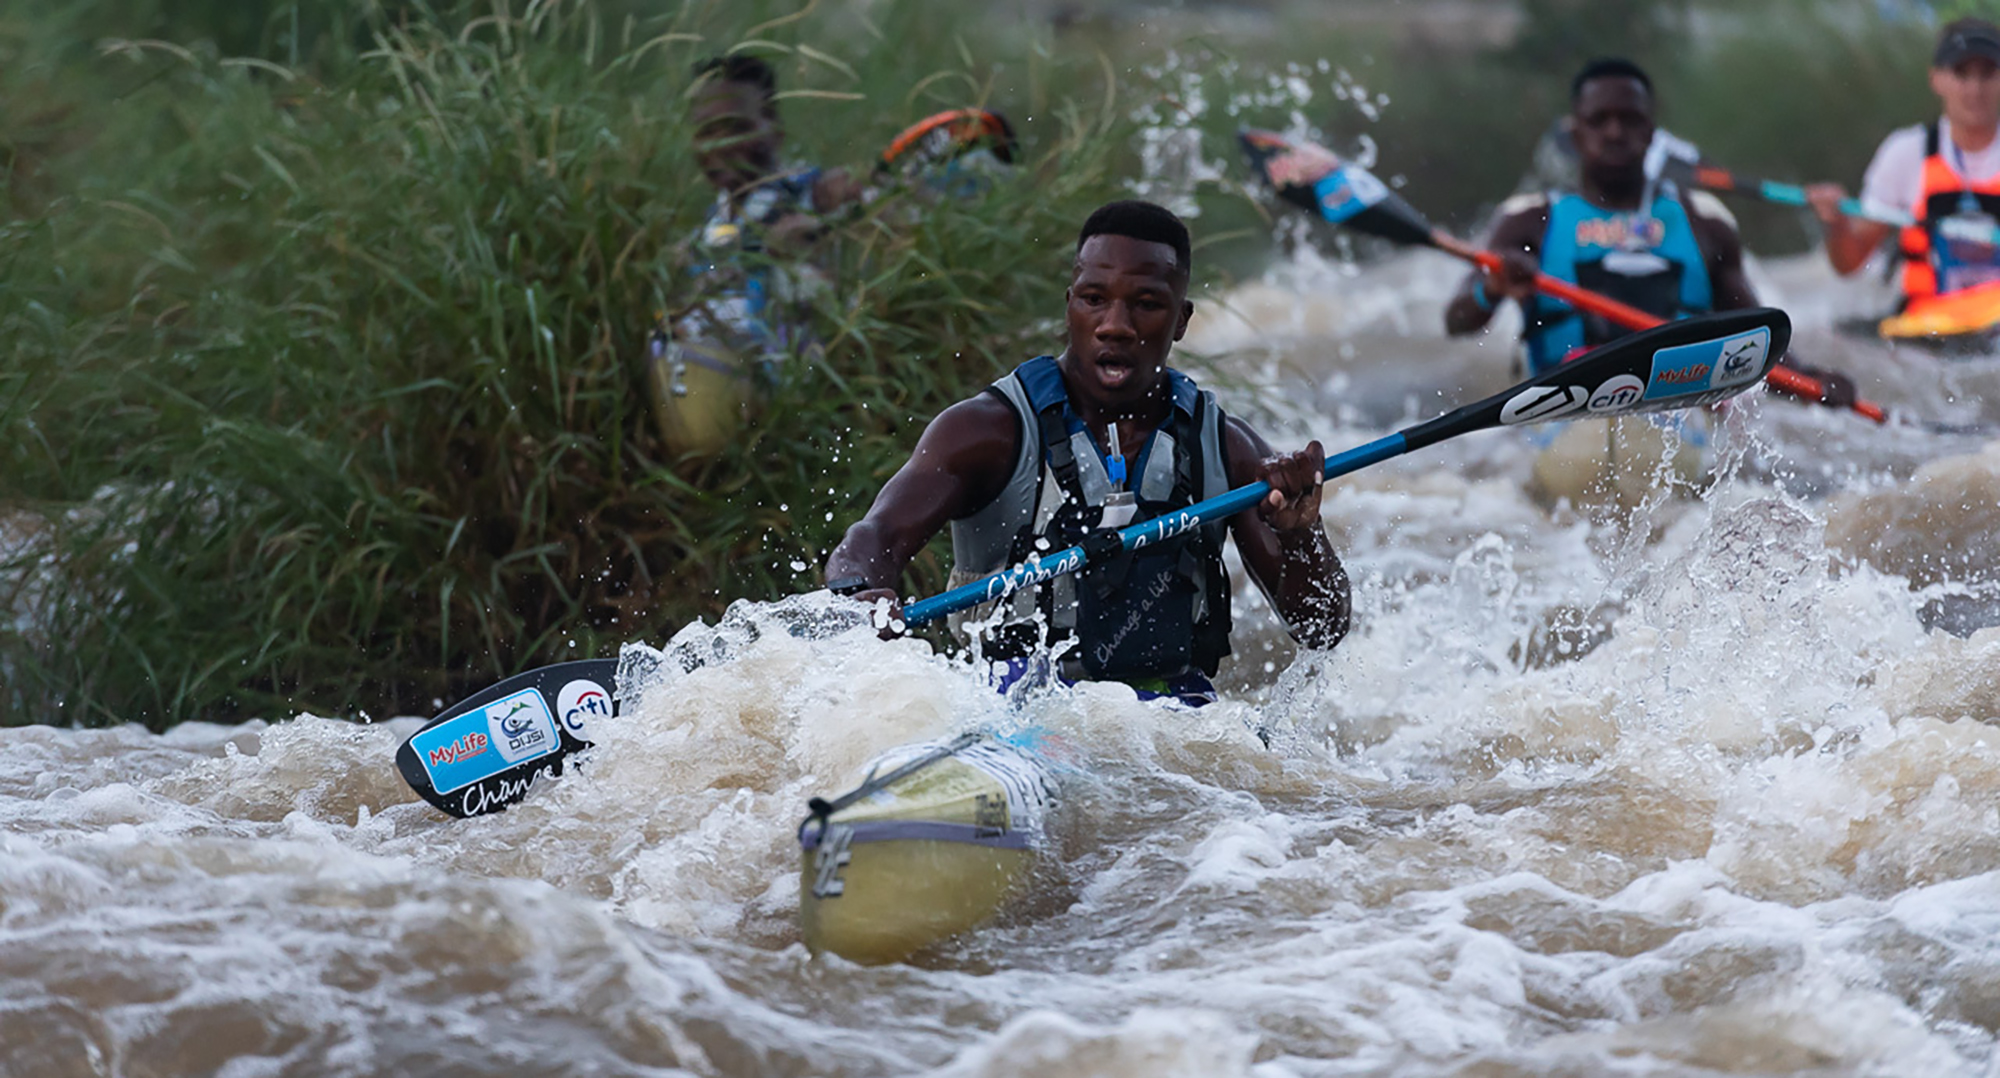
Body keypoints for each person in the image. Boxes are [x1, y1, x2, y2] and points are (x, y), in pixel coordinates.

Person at [822, 200, 1350, 706]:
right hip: (1012, 707)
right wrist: (859, 594)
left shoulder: (1227, 448)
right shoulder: (985, 431)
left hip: (1173, 719)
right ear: (1070, 302)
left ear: (1182, 320)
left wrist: (1301, 533)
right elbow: (874, 538)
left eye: (1144, 304)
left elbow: (1321, 629)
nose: (1114, 325)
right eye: (1094, 299)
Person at [1445, 57, 1853, 405]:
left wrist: (1813, 383)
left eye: (1630, 119)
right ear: (1575, 134)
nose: (1615, 132)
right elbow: (1458, 320)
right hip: (1565, 407)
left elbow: (1753, 341)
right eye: (1599, 120)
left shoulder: (1705, 221)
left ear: (1653, 133)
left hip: (1677, 410)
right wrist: (1493, 288)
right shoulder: (1528, 219)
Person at [648, 55, 864, 456]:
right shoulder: (705, 230)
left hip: (796, 418)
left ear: (775, 132)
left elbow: (883, 203)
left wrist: (822, 228)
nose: (722, 145)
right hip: (701, 406)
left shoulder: (814, 194)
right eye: (708, 131)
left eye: (738, 127)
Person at [1806, 18, 2000, 304]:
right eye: (1961, 73)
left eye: (1987, 73)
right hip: (1928, 335)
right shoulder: (1905, 151)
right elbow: (1850, 263)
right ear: (1936, 79)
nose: (1975, 89)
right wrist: (1836, 225)